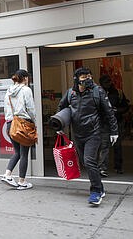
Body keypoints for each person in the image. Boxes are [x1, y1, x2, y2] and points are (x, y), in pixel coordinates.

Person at [57, 67, 118, 206]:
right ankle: (101, 188)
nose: (88, 79)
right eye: (84, 77)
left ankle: (95, 192)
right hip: (78, 134)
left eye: (89, 76)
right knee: (86, 163)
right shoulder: (70, 93)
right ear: (76, 79)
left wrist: (114, 131)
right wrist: (59, 126)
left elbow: (109, 112)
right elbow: (61, 108)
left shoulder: (98, 91)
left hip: (94, 133)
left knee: (89, 161)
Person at [1, 69, 36, 190]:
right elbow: (30, 108)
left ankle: (7, 174)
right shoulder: (26, 90)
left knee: (17, 152)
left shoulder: (9, 91)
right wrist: (34, 121)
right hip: (23, 124)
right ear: (25, 78)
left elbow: (6, 109)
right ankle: (22, 181)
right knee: (24, 154)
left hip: (10, 124)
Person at [98, 75, 129, 175]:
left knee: (117, 146)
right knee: (104, 146)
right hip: (104, 123)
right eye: (106, 82)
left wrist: (117, 111)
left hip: (117, 122)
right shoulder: (98, 93)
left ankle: (118, 167)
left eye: (109, 81)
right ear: (101, 83)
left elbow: (125, 107)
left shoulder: (118, 92)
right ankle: (102, 168)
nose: (108, 84)